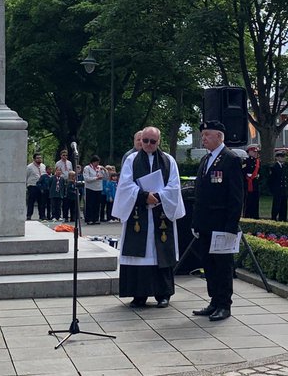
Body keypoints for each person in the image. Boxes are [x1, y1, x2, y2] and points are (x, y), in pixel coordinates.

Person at [112, 127, 184, 308]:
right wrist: (144, 196)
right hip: (139, 211)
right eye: (145, 141)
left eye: (153, 141)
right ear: (140, 140)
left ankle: (163, 294)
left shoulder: (169, 161)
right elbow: (125, 185)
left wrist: (158, 197)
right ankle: (138, 294)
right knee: (139, 253)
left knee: (160, 253)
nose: (149, 145)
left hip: (161, 211)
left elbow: (174, 186)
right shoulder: (131, 160)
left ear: (159, 141)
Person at [192, 120, 244, 321]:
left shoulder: (229, 159)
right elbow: (200, 194)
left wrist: (231, 225)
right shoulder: (206, 160)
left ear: (219, 137)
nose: (203, 138)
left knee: (222, 266)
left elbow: (236, 196)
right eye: (203, 135)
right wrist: (195, 222)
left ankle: (224, 305)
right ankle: (214, 301)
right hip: (205, 223)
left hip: (222, 224)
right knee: (209, 265)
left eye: (207, 134)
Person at [268, 148, 288, 222]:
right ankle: (273, 219)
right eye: (280, 156)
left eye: (283, 156)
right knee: (276, 206)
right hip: (277, 190)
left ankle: (283, 220)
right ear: (277, 157)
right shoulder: (274, 167)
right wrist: (273, 191)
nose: (282, 158)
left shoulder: (283, 166)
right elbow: (271, 180)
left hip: (283, 190)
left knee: (283, 207)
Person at [83, 155, 105, 224]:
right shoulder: (87, 168)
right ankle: (89, 219)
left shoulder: (99, 168)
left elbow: (105, 177)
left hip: (98, 188)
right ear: (93, 162)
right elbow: (86, 179)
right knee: (90, 204)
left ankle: (96, 218)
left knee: (97, 204)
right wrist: (96, 178)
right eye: (96, 162)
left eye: (98, 162)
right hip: (90, 188)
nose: (97, 164)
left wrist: (104, 171)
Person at [25, 152, 46, 221]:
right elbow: (26, 176)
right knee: (31, 202)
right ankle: (29, 215)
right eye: (37, 158)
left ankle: (42, 215)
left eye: (40, 158)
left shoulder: (43, 166)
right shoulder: (29, 167)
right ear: (34, 159)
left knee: (42, 202)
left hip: (41, 186)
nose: (39, 159)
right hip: (32, 186)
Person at [243, 145, 262, 219]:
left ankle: (255, 217)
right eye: (253, 152)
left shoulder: (258, 161)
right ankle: (247, 217)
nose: (255, 153)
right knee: (248, 202)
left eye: (256, 152)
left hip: (255, 184)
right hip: (247, 184)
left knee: (255, 202)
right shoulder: (245, 161)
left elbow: (260, 173)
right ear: (249, 152)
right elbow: (243, 172)